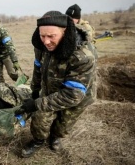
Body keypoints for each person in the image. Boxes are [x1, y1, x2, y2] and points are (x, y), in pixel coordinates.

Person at [15, 11, 97, 158]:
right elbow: (38, 68)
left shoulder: (83, 56)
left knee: (64, 123)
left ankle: (55, 137)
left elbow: (72, 95)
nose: (46, 42)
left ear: (65, 32)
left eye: (51, 36)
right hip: (50, 88)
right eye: (42, 36)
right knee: (40, 118)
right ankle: (38, 141)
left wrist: (36, 104)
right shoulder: (41, 46)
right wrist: (35, 91)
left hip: (77, 96)